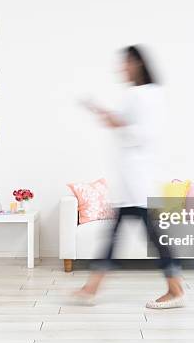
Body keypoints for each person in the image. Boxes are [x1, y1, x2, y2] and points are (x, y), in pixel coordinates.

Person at [75, 45, 185, 309]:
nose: (120, 68)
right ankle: (92, 287)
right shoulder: (138, 94)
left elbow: (144, 133)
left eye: (124, 63)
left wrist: (116, 123)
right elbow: (124, 124)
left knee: (150, 235)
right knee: (117, 233)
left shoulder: (147, 95)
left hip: (138, 178)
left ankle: (176, 289)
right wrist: (105, 115)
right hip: (130, 179)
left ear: (136, 63)